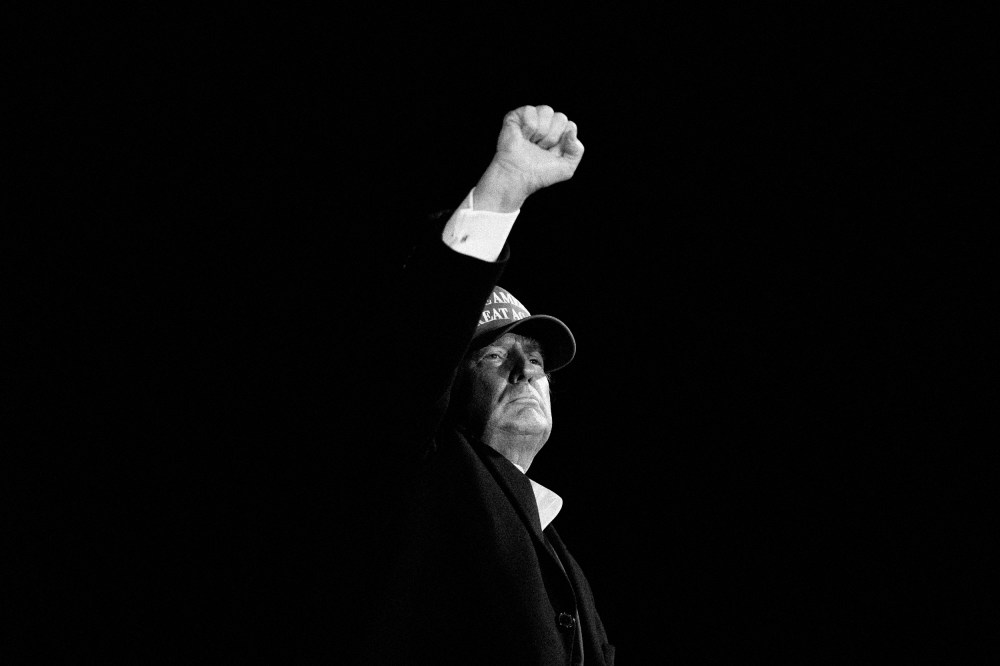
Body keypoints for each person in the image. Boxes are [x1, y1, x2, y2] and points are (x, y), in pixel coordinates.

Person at [323, 104, 614, 666]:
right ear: (449, 384)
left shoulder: (561, 554)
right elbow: (418, 345)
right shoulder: (417, 470)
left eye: (536, 359)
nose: (527, 370)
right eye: (496, 356)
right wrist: (504, 187)